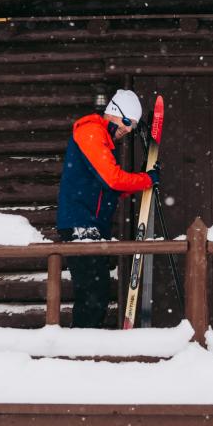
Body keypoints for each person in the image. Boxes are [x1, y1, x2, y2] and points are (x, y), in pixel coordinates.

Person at [56, 89, 160, 328]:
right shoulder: (91, 132)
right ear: (113, 112)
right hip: (81, 224)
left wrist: (141, 180)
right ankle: (81, 344)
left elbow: (109, 189)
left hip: (90, 225)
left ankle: (83, 342)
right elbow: (112, 179)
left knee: (95, 294)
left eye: (133, 126)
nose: (127, 130)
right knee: (93, 295)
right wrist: (146, 179)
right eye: (126, 122)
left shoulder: (101, 138)